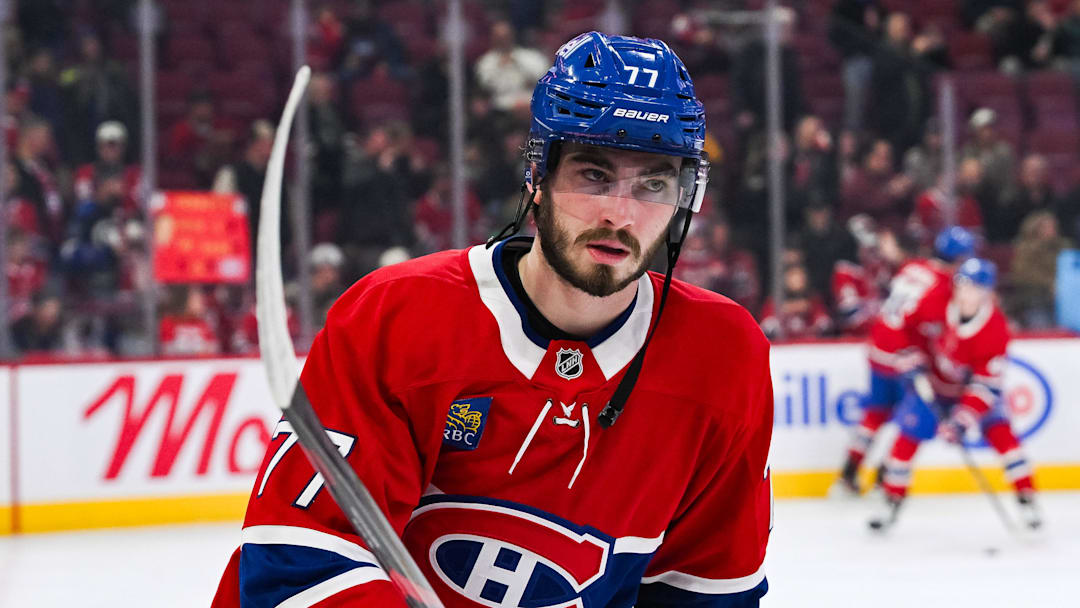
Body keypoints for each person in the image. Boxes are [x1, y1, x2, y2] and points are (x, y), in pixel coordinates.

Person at [213, 32, 773, 607]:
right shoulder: (398, 317)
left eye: (653, 183)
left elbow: (707, 591)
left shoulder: (722, 356)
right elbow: (298, 566)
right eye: (593, 175)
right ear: (537, 177)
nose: (619, 212)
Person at [872, 258, 1042, 531]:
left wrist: (963, 420)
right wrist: (908, 355)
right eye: (961, 284)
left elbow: (986, 385)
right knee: (905, 439)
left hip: (969, 393)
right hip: (933, 385)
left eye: (973, 286)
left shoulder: (995, 330)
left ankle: (1027, 498)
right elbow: (904, 326)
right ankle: (891, 500)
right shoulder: (936, 301)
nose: (964, 291)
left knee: (1004, 436)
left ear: (987, 291)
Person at [833, 226, 976, 495]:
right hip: (904, 354)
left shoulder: (914, 266)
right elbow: (927, 329)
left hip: (879, 346)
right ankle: (884, 479)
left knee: (876, 412)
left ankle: (847, 476)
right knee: (912, 418)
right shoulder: (945, 287)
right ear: (959, 260)